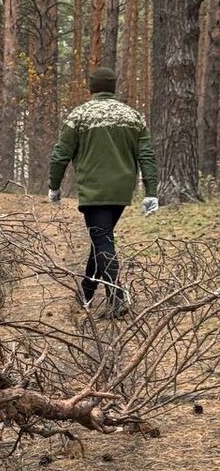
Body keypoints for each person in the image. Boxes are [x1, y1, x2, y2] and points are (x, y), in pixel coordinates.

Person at [48, 66, 159, 317]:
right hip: (121, 192)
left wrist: (54, 186)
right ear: (113, 86)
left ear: (92, 87)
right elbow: (147, 155)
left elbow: (60, 154)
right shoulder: (133, 116)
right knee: (101, 239)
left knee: (102, 240)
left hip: (94, 191)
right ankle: (86, 292)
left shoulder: (79, 115)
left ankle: (116, 297)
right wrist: (151, 191)